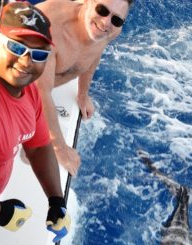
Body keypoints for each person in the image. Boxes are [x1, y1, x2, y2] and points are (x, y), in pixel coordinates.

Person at [0, 2, 70, 243]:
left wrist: (56, 200)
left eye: (39, 54)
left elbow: (38, 147)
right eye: (16, 46)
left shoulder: (28, 91)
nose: (26, 61)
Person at [37, 0, 133, 175]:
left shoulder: (110, 29)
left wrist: (83, 95)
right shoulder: (48, 27)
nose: (106, 22)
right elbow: (39, 93)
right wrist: (60, 148)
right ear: (88, 1)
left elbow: (94, 54)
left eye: (117, 19)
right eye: (102, 10)